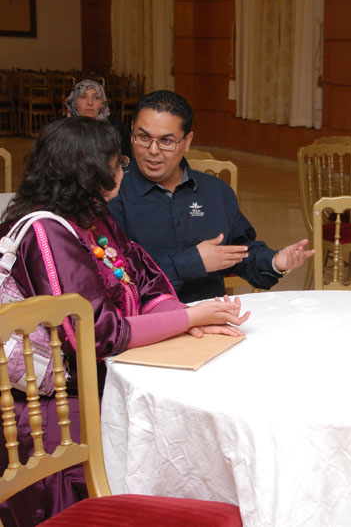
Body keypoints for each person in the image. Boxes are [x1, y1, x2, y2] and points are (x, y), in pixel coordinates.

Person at [0, 116, 251, 526]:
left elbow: (143, 276)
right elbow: (94, 334)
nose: (123, 169)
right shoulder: (47, 232)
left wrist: (184, 320)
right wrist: (189, 316)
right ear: (89, 169)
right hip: (58, 408)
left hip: (102, 380)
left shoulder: (92, 216)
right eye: (117, 161)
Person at [108, 90, 314, 303]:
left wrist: (276, 261)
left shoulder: (215, 191)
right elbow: (115, 279)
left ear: (187, 142)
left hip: (211, 317)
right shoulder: (112, 195)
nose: (152, 150)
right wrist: (193, 263)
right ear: (131, 132)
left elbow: (240, 253)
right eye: (143, 138)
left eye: (166, 141)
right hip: (145, 319)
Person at [64, 79, 131, 155]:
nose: (90, 102)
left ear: (102, 102)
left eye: (96, 97)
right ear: (75, 101)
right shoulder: (62, 129)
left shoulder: (117, 129)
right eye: (83, 97)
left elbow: (126, 159)